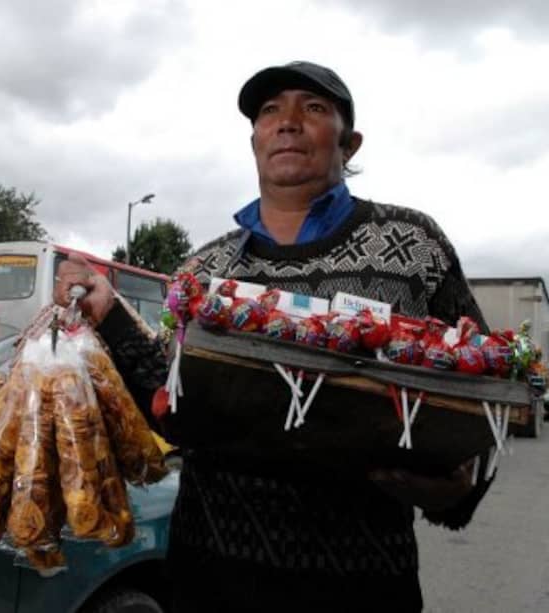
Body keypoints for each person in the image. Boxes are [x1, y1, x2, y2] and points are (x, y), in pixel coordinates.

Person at [55, 61, 492, 612]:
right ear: (255, 140)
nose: (286, 122)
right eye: (269, 111)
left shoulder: (411, 244)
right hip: (211, 576)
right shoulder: (203, 270)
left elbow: (482, 394)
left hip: (364, 585)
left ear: (349, 144)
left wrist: (458, 491)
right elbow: (170, 409)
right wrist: (109, 313)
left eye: (312, 108)